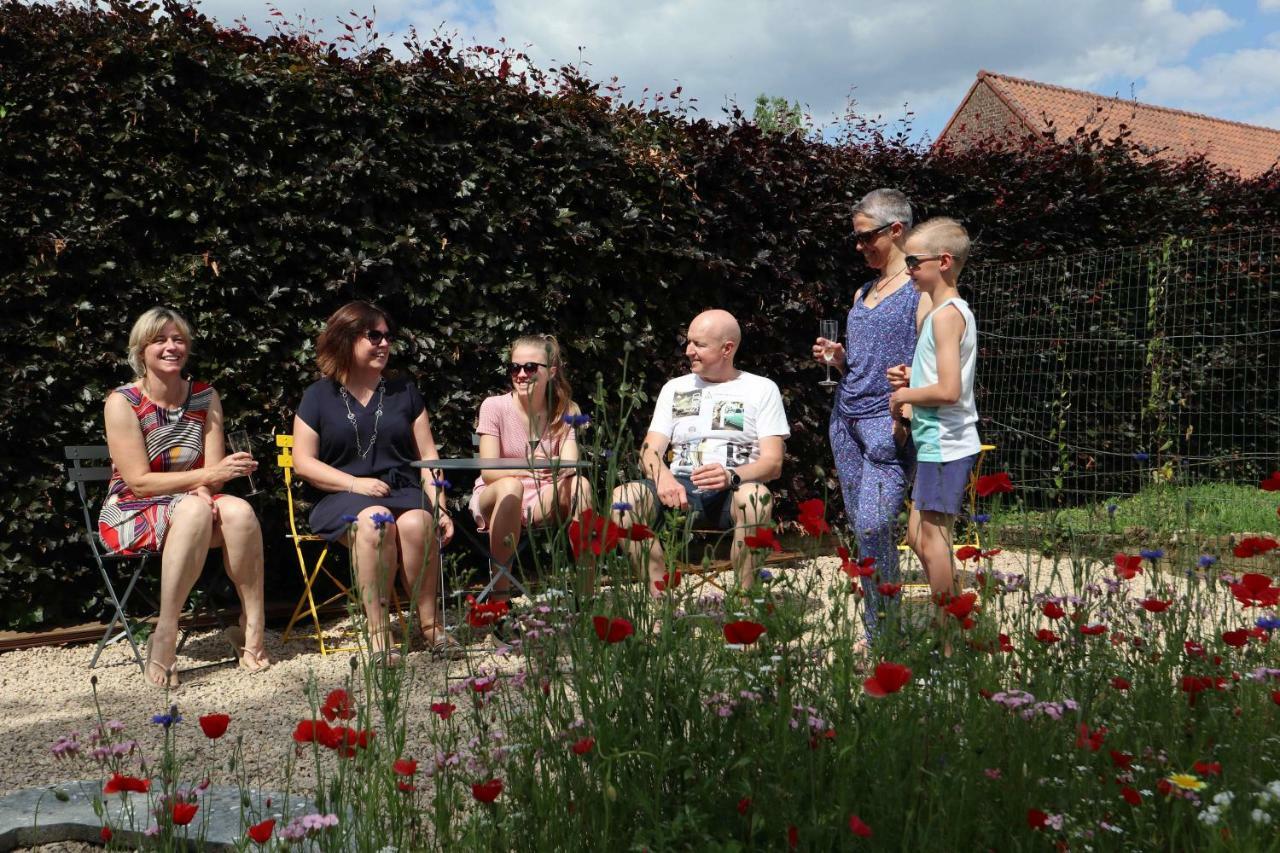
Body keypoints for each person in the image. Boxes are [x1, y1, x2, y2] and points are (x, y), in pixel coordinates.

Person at [100, 307, 270, 688]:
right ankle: (165, 632)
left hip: (193, 504)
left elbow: (214, 476)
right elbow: (140, 483)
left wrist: (208, 488)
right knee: (193, 508)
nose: (171, 347)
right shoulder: (122, 402)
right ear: (141, 350)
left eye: (178, 339)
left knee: (240, 511)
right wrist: (205, 483)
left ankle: (253, 626)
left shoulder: (205, 396)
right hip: (132, 510)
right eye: (160, 340)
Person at [292, 301, 456, 661]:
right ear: (346, 339)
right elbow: (302, 462)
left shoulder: (404, 392)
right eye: (374, 336)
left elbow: (429, 457)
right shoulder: (318, 396)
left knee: (419, 522)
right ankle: (379, 635)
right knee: (375, 521)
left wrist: (441, 508)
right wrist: (355, 484)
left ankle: (431, 629)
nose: (384, 343)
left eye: (387, 336)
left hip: (401, 489)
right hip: (342, 497)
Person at [812, 188, 932, 645]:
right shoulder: (864, 291)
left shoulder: (920, 292)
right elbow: (862, 360)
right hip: (846, 419)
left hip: (888, 422)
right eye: (856, 240)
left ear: (896, 230)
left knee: (874, 523)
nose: (860, 247)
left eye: (867, 238)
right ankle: (880, 628)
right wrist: (839, 358)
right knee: (864, 530)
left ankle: (884, 623)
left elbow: (941, 354)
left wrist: (909, 396)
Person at [612, 309, 790, 593]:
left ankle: (744, 606)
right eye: (689, 342)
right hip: (678, 489)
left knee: (757, 498)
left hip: (731, 492)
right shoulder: (675, 389)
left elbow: (773, 462)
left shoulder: (761, 389)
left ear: (727, 349)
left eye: (699, 345)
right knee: (623, 499)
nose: (688, 350)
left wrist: (731, 475)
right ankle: (660, 603)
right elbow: (650, 449)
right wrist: (662, 477)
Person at [887, 217, 981, 649]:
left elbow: (948, 390)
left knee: (933, 538)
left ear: (943, 262)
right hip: (933, 442)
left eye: (913, 261)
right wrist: (914, 376)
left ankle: (949, 642)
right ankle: (953, 621)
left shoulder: (945, 316)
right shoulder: (946, 315)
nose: (907, 269)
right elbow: (941, 376)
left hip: (945, 442)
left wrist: (906, 393)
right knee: (916, 536)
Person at [469, 334, 595, 599]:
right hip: (497, 492)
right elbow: (489, 471)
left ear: (550, 372)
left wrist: (555, 467)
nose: (521, 374)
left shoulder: (565, 409)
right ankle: (500, 600)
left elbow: (570, 465)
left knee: (581, 486)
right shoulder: (494, 407)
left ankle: (586, 596)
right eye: (515, 367)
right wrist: (527, 467)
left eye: (530, 367)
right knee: (510, 486)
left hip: (543, 494)